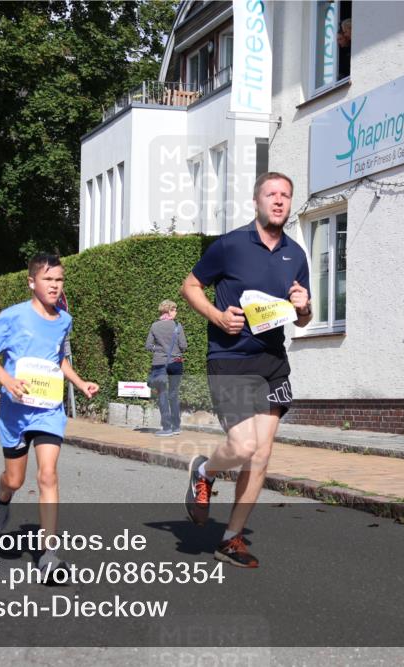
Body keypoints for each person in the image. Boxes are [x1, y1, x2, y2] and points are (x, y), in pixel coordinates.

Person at [180, 172, 312, 568]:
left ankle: (231, 538)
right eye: (271, 194)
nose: (278, 201)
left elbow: (302, 318)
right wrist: (218, 317)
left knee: (261, 455)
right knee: (242, 447)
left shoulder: (296, 254)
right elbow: (190, 287)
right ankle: (204, 470)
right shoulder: (231, 245)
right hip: (231, 359)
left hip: (272, 363)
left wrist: (304, 307)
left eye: (285, 195)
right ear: (256, 201)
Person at [0, 253, 99, 574]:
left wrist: (80, 381)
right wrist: (7, 380)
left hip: (48, 409)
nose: (55, 286)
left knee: (48, 475)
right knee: (15, 480)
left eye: (59, 280)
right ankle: (2, 498)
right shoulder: (13, 316)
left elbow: (58, 358)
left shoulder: (64, 320)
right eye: (48, 280)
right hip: (15, 412)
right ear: (32, 282)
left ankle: (48, 555)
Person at [146, 299, 189, 437]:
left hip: (159, 363)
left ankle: (166, 428)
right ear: (168, 310)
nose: (176, 312)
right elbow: (184, 346)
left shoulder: (155, 326)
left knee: (162, 395)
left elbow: (148, 346)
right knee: (174, 394)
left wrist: (158, 349)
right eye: (174, 309)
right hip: (176, 363)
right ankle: (176, 427)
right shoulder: (177, 325)